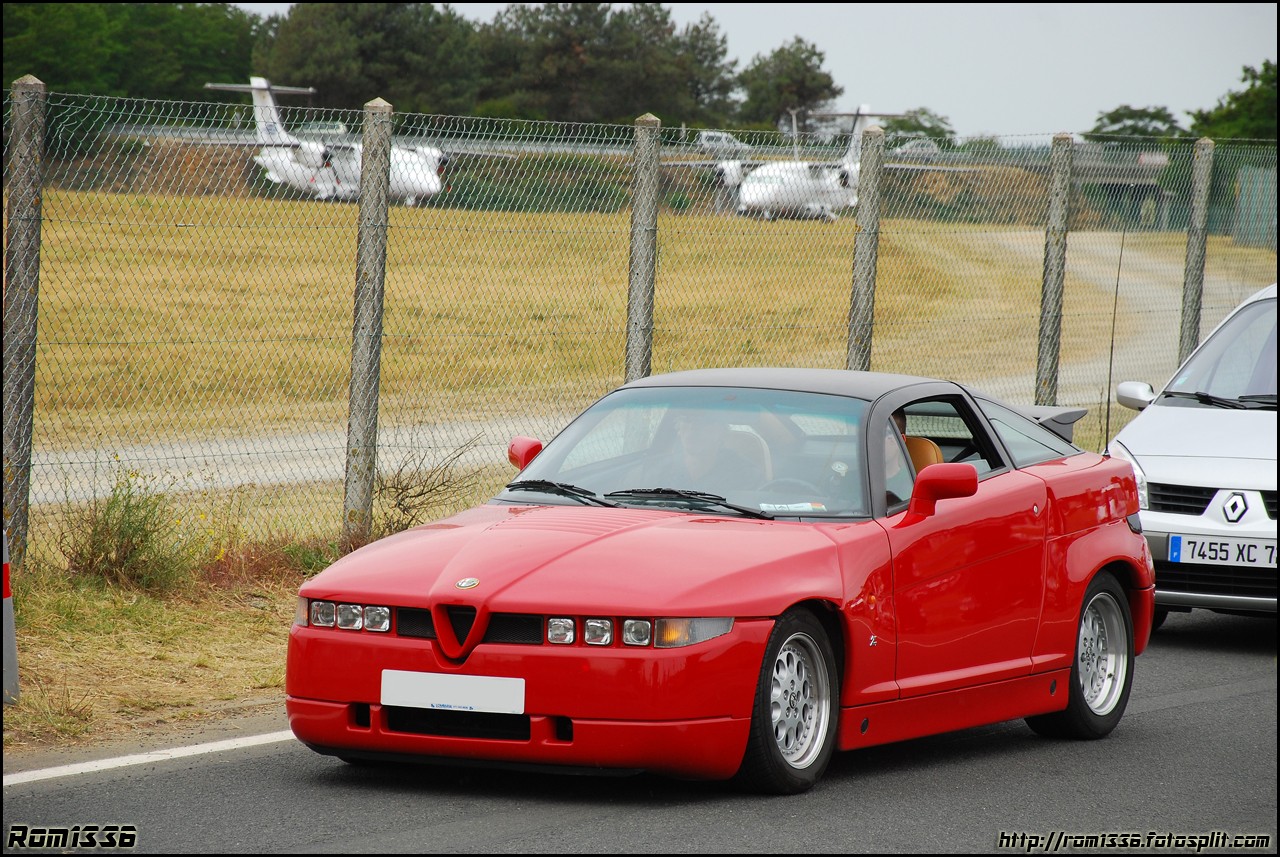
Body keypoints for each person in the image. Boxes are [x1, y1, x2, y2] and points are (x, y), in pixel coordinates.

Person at [653, 410, 758, 492]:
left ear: (721, 431)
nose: (693, 427)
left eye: (703, 421)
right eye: (687, 419)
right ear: (679, 429)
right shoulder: (657, 469)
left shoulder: (745, 475)